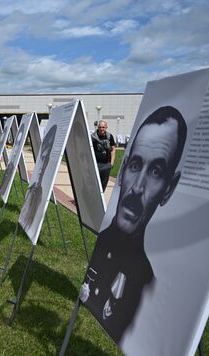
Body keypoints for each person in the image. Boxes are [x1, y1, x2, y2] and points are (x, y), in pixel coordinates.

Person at [80, 106, 187, 344]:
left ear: (168, 189)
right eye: (136, 165)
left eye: (156, 171)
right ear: (125, 169)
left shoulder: (148, 286)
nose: (137, 187)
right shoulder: (101, 251)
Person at [19, 125, 57, 237]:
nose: (42, 166)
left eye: (47, 159)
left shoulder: (41, 191)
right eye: (42, 157)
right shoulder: (32, 190)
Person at [92, 120, 117, 192]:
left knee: (104, 183)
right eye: (100, 127)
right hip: (96, 163)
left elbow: (113, 149)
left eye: (103, 127)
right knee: (94, 182)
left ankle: (100, 198)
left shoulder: (109, 136)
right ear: (98, 127)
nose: (101, 129)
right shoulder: (93, 137)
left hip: (106, 164)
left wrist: (111, 163)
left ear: (106, 127)